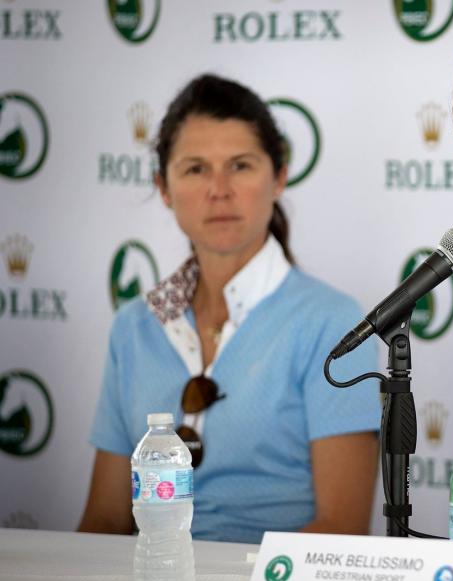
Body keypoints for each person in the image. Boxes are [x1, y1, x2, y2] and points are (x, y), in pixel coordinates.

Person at [78, 74, 380, 543]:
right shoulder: (134, 326)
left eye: (240, 166)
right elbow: (103, 522)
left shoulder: (332, 321)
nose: (219, 189)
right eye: (195, 169)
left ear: (278, 176)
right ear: (164, 187)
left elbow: (341, 529)